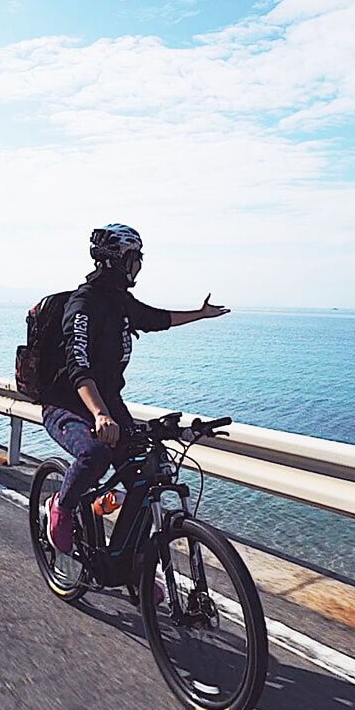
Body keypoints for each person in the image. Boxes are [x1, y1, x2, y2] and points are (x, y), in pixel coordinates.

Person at [42, 224, 229, 552]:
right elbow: (77, 364)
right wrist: (100, 414)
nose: (139, 264)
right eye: (135, 256)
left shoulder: (120, 302)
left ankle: (136, 573)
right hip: (68, 404)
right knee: (95, 453)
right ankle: (62, 506)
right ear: (116, 259)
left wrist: (201, 314)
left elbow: (158, 318)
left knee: (144, 482)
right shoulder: (82, 304)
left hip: (110, 404)